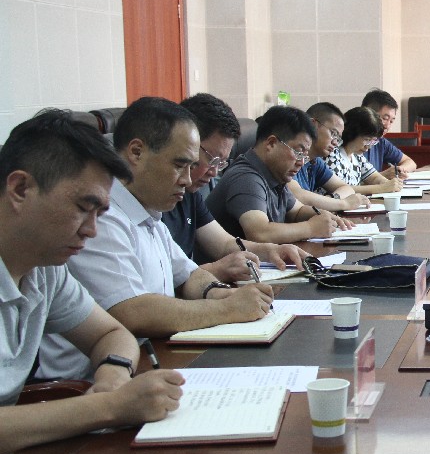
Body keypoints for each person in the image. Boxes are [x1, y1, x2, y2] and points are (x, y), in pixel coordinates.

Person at [36, 98, 276, 381]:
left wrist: (220, 292)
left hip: (145, 363)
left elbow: (188, 275)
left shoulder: (149, 212)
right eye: (179, 165)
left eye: (191, 167)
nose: (188, 180)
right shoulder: (102, 217)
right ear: (136, 152)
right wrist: (226, 308)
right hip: (81, 384)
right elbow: (133, 313)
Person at [0, 109, 184, 454]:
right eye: (84, 208)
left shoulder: (45, 269)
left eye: (100, 214)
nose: (92, 231)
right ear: (21, 188)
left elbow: (110, 333)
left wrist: (113, 375)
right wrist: (109, 406)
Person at [163, 93, 306, 282]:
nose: (214, 172)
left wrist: (271, 250)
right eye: (212, 159)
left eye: (221, 163)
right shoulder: (155, 200)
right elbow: (159, 281)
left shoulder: (190, 194)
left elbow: (224, 244)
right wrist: (215, 270)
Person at [206, 106, 343, 243]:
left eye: (304, 156)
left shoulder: (275, 174)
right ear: (271, 143)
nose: (301, 162)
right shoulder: (246, 177)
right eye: (298, 152)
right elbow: (260, 233)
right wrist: (311, 228)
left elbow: (297, 211)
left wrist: (325, 217)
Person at [288, 101, 373, 214]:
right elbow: (297, 195)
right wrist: (343, 203)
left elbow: (347, 188)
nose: (335, 142)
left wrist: (332, 199)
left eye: (338, 138)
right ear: (313, 125)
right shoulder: (290, 156)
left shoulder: (316, 161)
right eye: (333, 133)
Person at [325, 106, 405, 195]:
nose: (369, 146)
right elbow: (341, 189)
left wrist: (388, 183)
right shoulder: (332, 154)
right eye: (367, 140)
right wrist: (382, 188)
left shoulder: (356, 155)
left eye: (373, 141)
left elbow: (374, 177)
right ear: (352, 133)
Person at [360, 89, 417, 178]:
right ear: (368, 114)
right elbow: (348, 182)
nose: (387, 126)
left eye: (391, 121)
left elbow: (411, 163)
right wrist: (383, 175)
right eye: (385, 119)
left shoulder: (380, 142)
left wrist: (398, 170)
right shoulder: (350, 142)